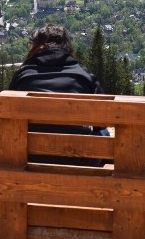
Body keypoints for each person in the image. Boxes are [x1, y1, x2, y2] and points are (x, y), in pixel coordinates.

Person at [8, 24, 108, 165]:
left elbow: (8, 119)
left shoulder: (23, 76)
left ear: (35, 46)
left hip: (29, 156)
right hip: (82, 160)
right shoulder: (83, 75)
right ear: (67, 46)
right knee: (104, 134)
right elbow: (102, 122)